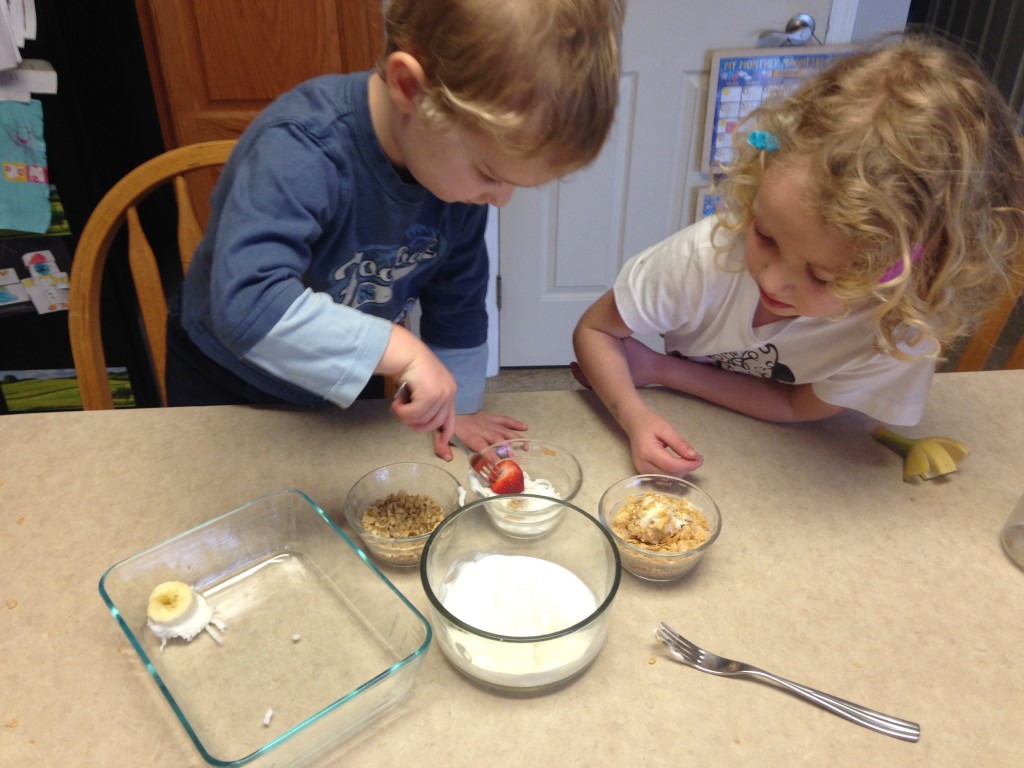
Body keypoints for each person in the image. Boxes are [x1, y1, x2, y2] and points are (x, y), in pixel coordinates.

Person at [165, 0, 624, 459]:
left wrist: (457, 407)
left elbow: (458, 308)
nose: (501, 200)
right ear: (409, 88)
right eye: (489, 172)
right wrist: (401, 350)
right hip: (226, 379)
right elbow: (247, 305)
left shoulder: (456, 190)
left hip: (337, 384)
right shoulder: (302, 146)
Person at [572, 35, 1024, 477]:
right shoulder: (707, 256)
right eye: (765, 235)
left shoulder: (898, 332)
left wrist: (660, 368)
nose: (771, 281)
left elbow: (795, 404)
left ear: (900, 276)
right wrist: (634, 417)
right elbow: (596, 329)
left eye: (823, 277)